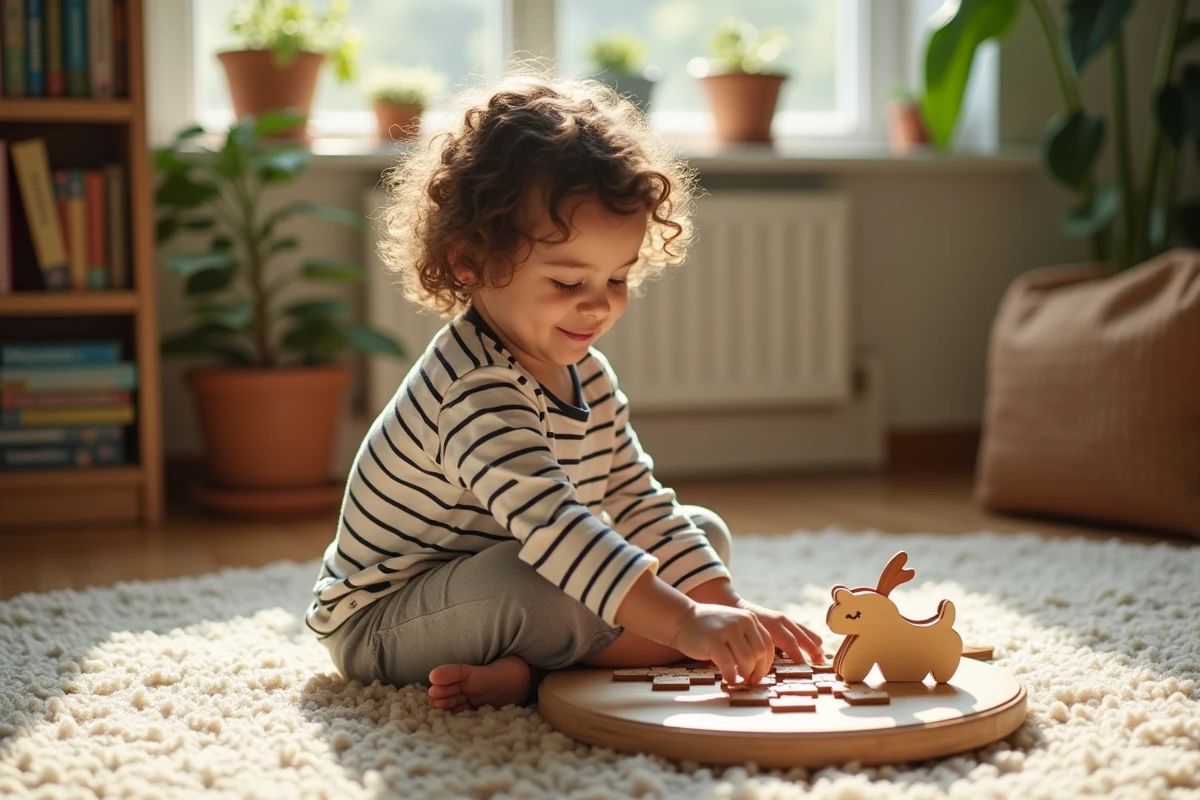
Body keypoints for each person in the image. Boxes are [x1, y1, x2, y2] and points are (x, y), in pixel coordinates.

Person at [306, 69, 825, 712]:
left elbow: (636, 503)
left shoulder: (590, 376)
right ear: (471, 261)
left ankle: (534, 671)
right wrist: (688, 624)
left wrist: (723, 604)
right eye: (566, 282)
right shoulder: (475, 389)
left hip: (506, 573)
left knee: (700, 533)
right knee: (543, 584)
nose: (598, 307)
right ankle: (571, 670)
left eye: (617, 279)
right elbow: (556, 530)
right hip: (386, 623)